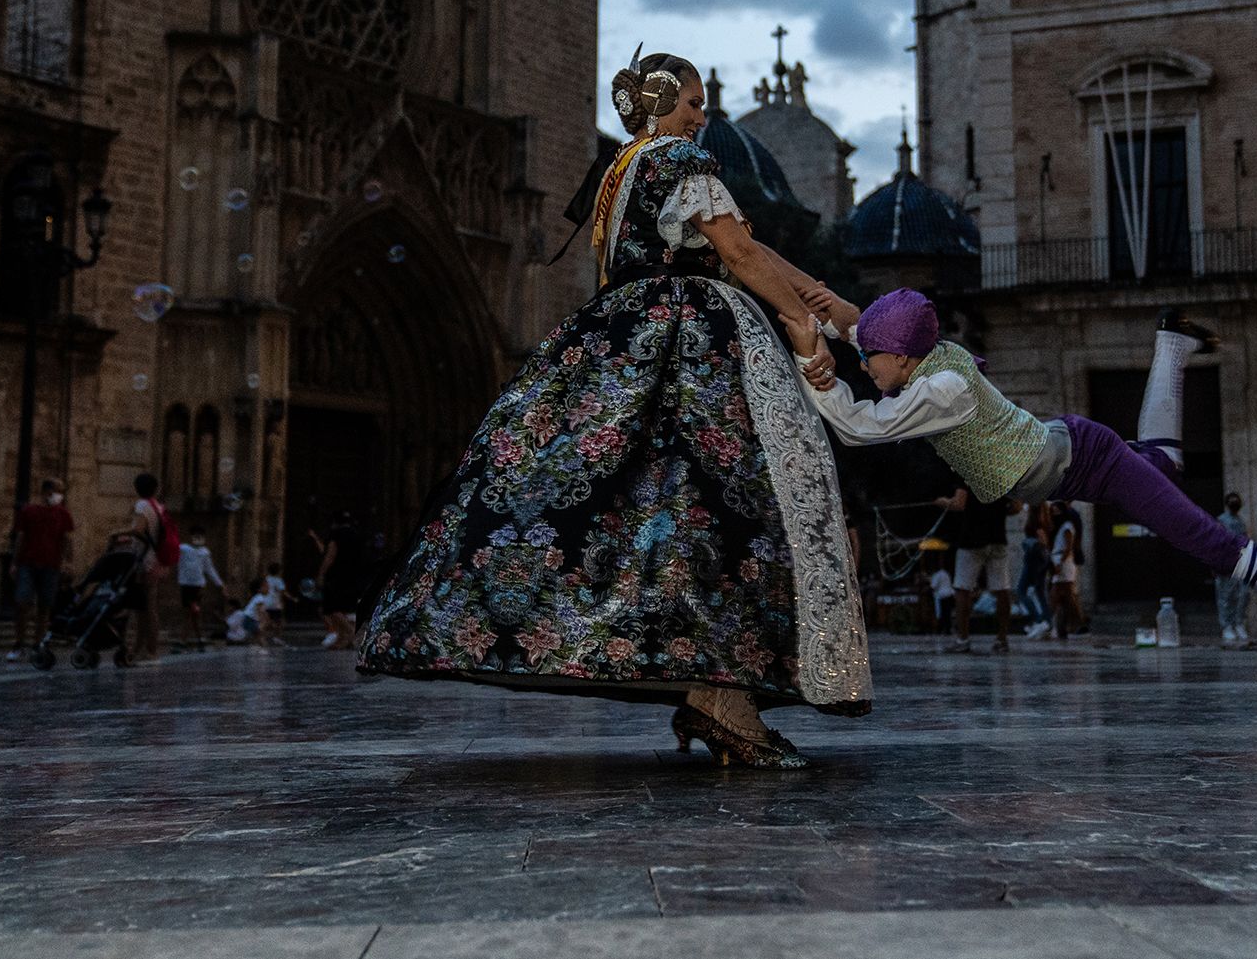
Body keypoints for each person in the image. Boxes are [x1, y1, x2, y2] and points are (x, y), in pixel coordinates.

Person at [360, 49, 867, 769]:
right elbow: (742, 257)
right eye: (691, 102)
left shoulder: (621, 173)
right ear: (659, 104)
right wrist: (803, 327)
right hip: (693, 346)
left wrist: (840, 310)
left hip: (620, 338)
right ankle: (720, 693)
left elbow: (745, 250)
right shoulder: (684, 165)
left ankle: (717, 694)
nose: (703, 115)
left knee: (663, 514)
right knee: (739, 508)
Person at [788, 286, 1257, 673]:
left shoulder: (942, 388)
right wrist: (814, 304)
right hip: (1069, 454)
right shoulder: (925, 353)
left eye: (870, 359)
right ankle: (1171, 344)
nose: (864, 365)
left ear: (903, 356)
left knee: (1218, 548)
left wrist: (811, 365)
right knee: (1166, 462)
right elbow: (858, 324)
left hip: (1086, 456)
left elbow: (859, 428)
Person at [942, 482, 1015, 654]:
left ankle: (963, 639)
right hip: (997, 537)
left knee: (963, 588)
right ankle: (1002, 639)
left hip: (971, 539)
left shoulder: (968, 473)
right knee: (1002, 589)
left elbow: (959, 503)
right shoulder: (1002, 477)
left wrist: (944, 502)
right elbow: (1016, 507)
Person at [8, 479, 73, 660]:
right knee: (22, 603)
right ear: (46, 492)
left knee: (45, 606)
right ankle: (19, 642)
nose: (60, 495)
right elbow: (21, 537)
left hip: (51, 565)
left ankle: (37, 644)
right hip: (28, 563)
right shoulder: (28, 511)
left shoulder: (63, 514)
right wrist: (14, 562)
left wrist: (67, 561)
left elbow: (67, 540)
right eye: (57, 491)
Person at [120, 473, 179, 663]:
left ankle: (151, 651)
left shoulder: (142, 505)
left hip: (145, 561)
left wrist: (119, 533)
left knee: (146, 608)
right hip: (156, 560)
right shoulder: (159, 507)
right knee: (146, 607)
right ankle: (142, 649)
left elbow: (139, 529)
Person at [317, 511, 364, 650]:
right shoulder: (357, 535)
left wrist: (321, 574)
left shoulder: (336, 535)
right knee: (344, 607)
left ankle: (349, 632)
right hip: (353, 576)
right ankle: (344, 638)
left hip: (336, 577)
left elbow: (331, 555)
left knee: (331, 608)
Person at [175, 528, 225, 651]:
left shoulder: (204, 552)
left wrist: (220, 584)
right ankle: (193, 639)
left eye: (200, 536)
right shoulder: (183, 549)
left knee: (195, 612)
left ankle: (190, 639)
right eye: (195, 536)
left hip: (198, 586)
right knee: (188, 613)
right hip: (185, 585)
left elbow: (209, 569)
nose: (198, 539)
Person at [1212, 492, 1250, 646]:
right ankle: (1227, 626)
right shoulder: (1221, 520)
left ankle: (1239, 623)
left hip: (1240, 563)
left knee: (1242, 594)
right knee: (1225, 597)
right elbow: (1215, 542)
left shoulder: (1241, 521)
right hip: (1225, 563)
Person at [1015, 502, 1052, 638]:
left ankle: (1038, 620)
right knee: (1040, 591)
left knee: (1021, 590)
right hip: (1043, 557)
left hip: (1033, 556)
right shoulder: (1045, 519)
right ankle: (1047, 622)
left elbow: (1040, 538)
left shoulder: (1034, 521)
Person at [1047, 506, 1084, 639]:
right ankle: (1067, 625)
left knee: (1060, 594)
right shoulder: (1060, 527)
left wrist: (1060, 563)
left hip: (1064, 563)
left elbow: (1068, 547)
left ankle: (1050, 623)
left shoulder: (1067, 526)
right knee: (1064, 595)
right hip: (1060, 561)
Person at [264, 560, 289, 646]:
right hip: (275, 603)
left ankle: (265, 636)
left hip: (266, 602)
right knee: (279, 621)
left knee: (267, 620)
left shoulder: (266, 579)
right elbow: (282, 592)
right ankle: (277, 637)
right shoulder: (279, 580)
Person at [928, 559, 956, 635]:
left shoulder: (937, 575)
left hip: (942, 596)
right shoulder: (945, 573)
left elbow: (933, 586)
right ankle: (948, 629)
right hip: (949, 594)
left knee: (942, 614)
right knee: (948, 613)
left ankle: (941, 629)